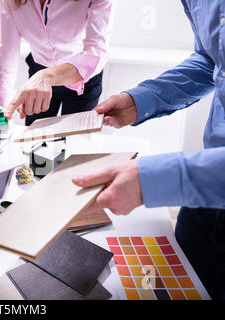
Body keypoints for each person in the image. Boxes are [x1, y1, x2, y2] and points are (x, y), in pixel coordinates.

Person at [70, 0, 224, 299]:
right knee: (175, 286)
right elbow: (210, 61)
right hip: (201, 197)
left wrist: (154, 180)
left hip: (202, 177)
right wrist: (143, 99)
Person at [0, 0, 114, 125]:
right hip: (38, 75)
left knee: (74, 140)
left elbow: (96, 51)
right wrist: (2, 108)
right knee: (32, 138)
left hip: (82, 77)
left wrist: (47, 76)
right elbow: (8, 51)